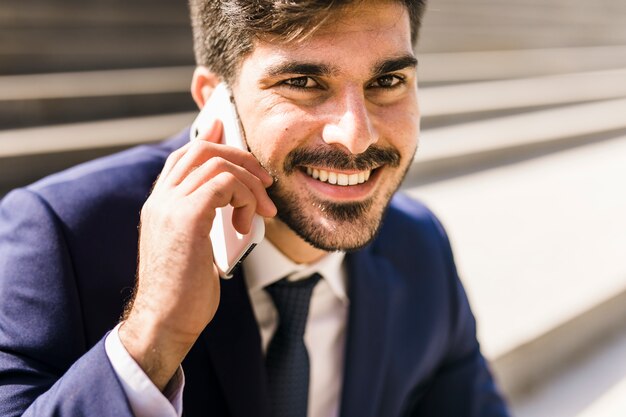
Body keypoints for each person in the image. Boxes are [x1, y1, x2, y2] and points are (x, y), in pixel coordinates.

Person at [0, 1, 510, 416]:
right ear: (213, 102)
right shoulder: (56, 235)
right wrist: (151, 337)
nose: (356, 136)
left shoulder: (420, 245)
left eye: (387, 82)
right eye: (303, 83)